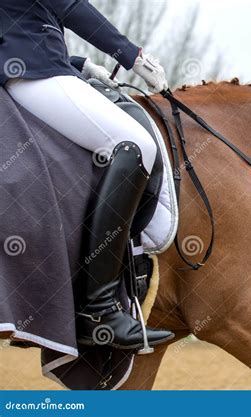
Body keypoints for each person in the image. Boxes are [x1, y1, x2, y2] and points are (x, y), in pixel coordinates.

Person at [0, 0, 174, 350]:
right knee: (134, 144)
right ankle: (100, 311)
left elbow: (25, 19)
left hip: (42, 63)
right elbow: (66, 4)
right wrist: (131, 54)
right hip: (32, 71)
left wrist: (80, 64)